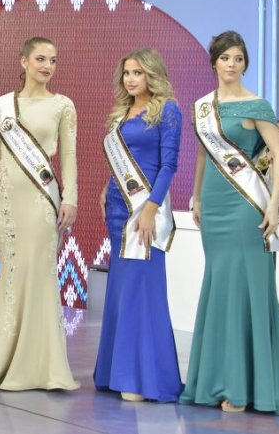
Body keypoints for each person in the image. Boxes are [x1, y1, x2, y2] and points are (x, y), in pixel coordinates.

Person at [180, 31, 279, 415]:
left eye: (238, 58)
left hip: (246, 205)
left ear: (245, 64)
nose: (232, 64)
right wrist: (197, 196)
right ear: (214, 62)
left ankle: (241, 386)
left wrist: (274, 206)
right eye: (226, 58)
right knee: (219, 287)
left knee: (245, 289)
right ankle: (216, 379)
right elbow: (203, 156)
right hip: (214, 205)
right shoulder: (202, 107)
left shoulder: (257, 104)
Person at [0, 36, 79, 391]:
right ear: (24, 61)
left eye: (53, 60)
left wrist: (70, 198)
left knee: (40, 275)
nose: (48, 66)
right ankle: (0, 363)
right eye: (41, 59)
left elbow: (68, 156)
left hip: (41, 200)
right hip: (6, 200)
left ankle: (41, 367)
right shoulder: (4, 105)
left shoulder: (63, 105)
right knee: (12, 275)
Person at [92, 48, 183, 402]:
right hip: (117, 208)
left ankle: (144, 379)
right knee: (121, 289)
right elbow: (121, 163)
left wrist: (150, 208)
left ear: (152, 75)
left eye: (138, 73)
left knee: (142, 290)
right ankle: (115, 373)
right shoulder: (121, 113)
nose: (130, 79)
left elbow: (168, 165)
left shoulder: (168, 110)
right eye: (127, 73)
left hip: (145, 210)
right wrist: (106, 189)